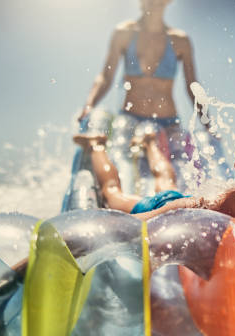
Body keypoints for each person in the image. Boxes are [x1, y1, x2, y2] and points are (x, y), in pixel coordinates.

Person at [73, 104, 235, 220]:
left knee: (165, 177)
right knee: (114, 196)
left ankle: (150, 143)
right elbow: (133, 226)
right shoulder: (219, 207)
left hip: (179, 195)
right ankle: (96, 145)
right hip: (167, 206)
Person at [77, 0, 211, 194]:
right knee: (122, 158)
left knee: (182, 169)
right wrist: (89, 105)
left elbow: (192, 85)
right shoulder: (124, 33)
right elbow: (105, 77)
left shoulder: (180, 40)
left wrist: (207, 121)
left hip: (168, 122)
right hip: (130, 118)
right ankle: (121, 203)